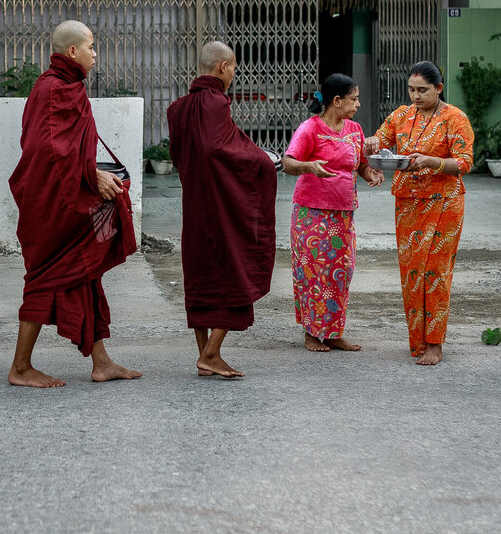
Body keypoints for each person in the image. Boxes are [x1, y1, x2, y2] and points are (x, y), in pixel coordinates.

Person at [7, 20, 142, 387]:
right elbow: (46, 149)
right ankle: (20, 368)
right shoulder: (53, 89)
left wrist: (90, 171)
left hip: (66, 194)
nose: (95, 54)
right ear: (72, 51)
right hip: (52, 204)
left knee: (84, 273)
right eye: (90, 47)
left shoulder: (67, 86)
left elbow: (66, 146)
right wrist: (91, 174)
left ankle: (101, 363)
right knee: (45, 277)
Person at [166, 41, 276, 378]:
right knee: (236, 271)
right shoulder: (215, 103)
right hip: (222, 207)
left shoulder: (177, 108)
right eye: (233, 69)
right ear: (222, 67)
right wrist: (263, 161)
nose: (233, 76)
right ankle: (211, 354)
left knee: (201, 276)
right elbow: (224, 149)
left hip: (194, 206)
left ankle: (205, 356)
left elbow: (180, 156)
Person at [367, 61, 474, 366]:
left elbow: (464, 162)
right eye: (411, 90)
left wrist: (430, 161)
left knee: (436, 273)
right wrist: (372, 144)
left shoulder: (455, 118)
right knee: (412, 273)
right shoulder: (401, 115)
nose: (415, 96)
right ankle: (417, 342)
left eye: (422, 90)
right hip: (408, 203)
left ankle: (435, 344)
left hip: (444, 202)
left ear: (438, 88)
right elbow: (379, 144)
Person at [281, 73, 384, 352]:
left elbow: (360, 164)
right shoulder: (310, 129)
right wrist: (308, 167)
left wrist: (371, 174)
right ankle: (311, 333)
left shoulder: (354, 129)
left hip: (343, 216)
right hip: (310, 215)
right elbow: (288, 162)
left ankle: (333, 332)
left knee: (341, 272)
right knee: (313, 272)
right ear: (337, 101)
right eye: (354, 99)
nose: (358, 104)